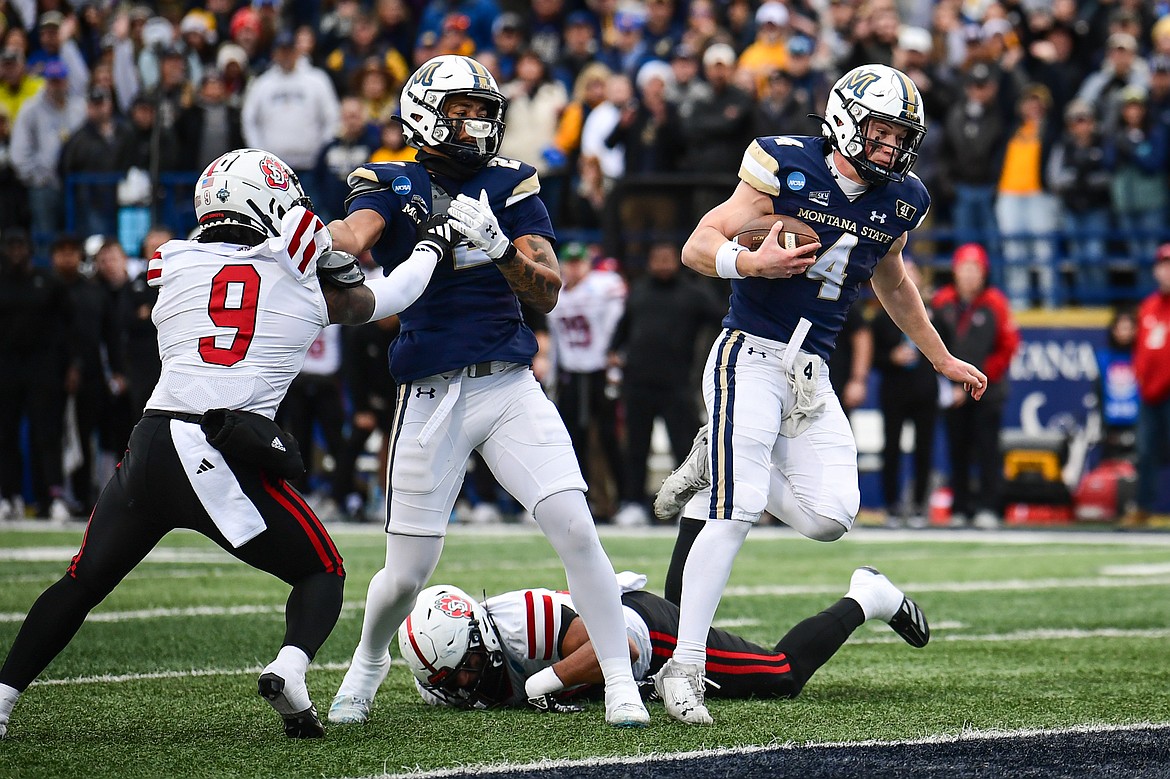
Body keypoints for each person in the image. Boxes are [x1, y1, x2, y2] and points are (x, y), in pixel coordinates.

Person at [0, 147, 447, 741]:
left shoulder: (171, 264)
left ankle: (3, 699)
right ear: (268, 202)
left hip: (153, 442)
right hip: (224, 447)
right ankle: (290, 669)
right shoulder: (300, 277)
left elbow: (222, 281)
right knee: (323, 572)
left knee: (82, 582)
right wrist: (431, 247)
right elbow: (388, 298)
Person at [648, 64, 987, 726]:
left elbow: (892, 279)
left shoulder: (904, 197)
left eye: (900, 136)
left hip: (811, 372)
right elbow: (697, 245)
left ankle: (717, 455)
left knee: (831, 517)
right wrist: (751, 263)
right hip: (748, 352)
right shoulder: (783, 164)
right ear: (842, 120)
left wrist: (941, 355)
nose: (890, 147)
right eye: (880, 131)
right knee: (738, 505)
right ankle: (683, 664)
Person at [322, 54, 650, 729]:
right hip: (431, 393)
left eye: (483, 111)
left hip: (508, 385)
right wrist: (299, 232)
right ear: (424, 113)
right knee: (406, 573)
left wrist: (505, 252)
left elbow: (550, 290)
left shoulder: (511, 181)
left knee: (576, 526)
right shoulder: (388, 178)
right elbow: (352, 239)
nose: (478, 123)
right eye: (463, 110)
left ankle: (620, 680)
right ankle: (368, 659)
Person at [396, 566, 929, 712]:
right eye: (450, 679)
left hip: (645, 633)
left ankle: (868, 596)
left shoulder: (521, 623)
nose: (464, 683)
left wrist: (541, 684)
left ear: (479, 637)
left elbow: (618, 651)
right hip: (623, 634)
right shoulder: (446, 658)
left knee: (779, 675)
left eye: (464, 669)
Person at [930, 243, 1020, 530]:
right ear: (955, 272)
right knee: (957, 450)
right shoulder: (942, 302)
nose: (969, 276)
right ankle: (961, 506)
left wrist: (976, 380)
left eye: (974, 269)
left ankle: (990, 506)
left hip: (987, 392)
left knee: (987, 450)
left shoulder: (996, 302)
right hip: (953, 393)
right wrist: (950, 385)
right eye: (964, 269)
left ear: (984, 273)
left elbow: (1007, 348)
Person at [1120, 245, 1170, 528]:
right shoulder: (1149, 306)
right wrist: (1142, 378)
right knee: (1146, 451)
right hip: (1150, 394)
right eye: (1163, 265)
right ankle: (1143, 506)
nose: (1167, 271)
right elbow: (1141, 350)